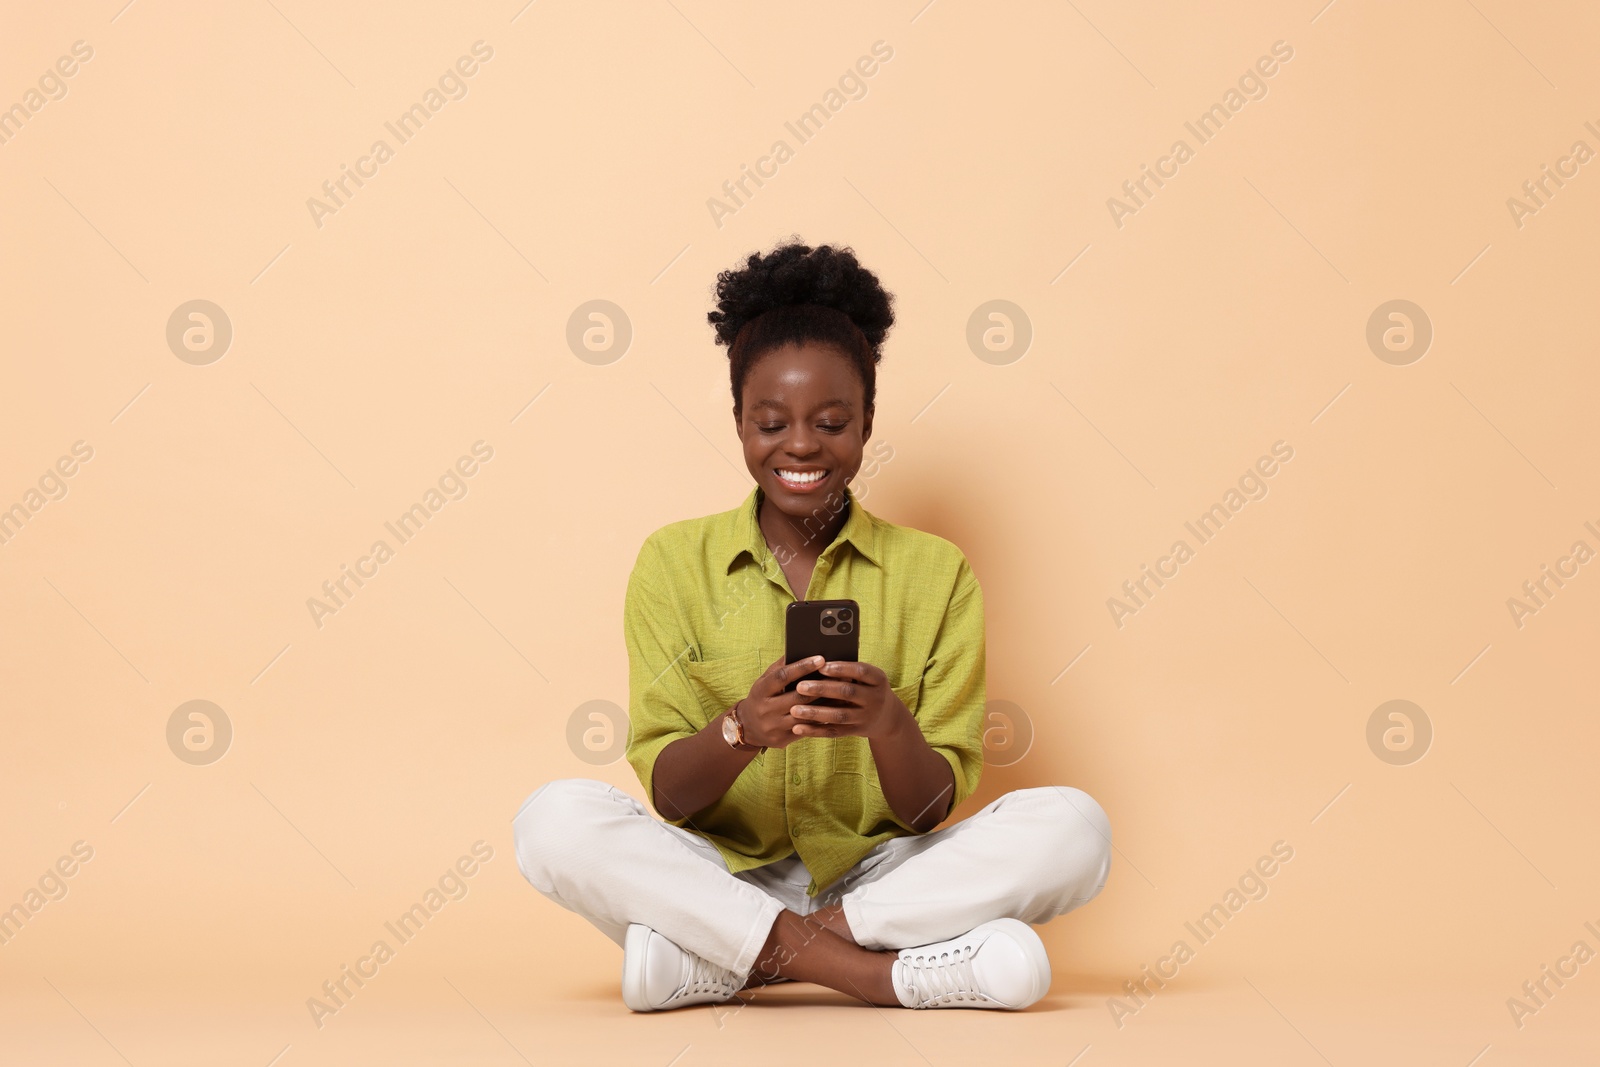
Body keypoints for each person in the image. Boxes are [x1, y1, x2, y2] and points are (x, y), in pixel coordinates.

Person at [512, 238, 1111, 1012]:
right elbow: (670, 795)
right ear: (737, 422)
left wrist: (889, 723)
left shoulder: (938, 573)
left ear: (866, 422)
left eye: (831, 421)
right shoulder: (671, 563)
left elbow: (931, 813)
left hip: (881, 875)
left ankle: (727, 960)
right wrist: (742, 730)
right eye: (771, 422)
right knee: (554, 819)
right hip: (717, 870)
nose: (801, 445)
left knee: (1075, 826)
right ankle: (873, 973)